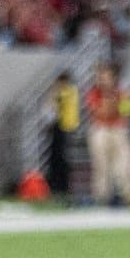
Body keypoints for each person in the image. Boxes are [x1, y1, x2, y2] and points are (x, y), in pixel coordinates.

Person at [84, 63, 130, 208]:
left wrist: (120, 100)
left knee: (124, 165)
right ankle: (102, 198)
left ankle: (126, 197)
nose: (104, 80)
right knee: (101, 166)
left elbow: (127, 112)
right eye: (102, 77)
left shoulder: (120, 92)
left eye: (107, 77)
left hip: (118, 129)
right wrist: (112, 102)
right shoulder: (94, 93)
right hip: (101, 129)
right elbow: (101, 112)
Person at [44, 70, 80, 202]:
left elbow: (52, 107)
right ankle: (58, 186)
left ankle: (62, 187)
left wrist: (53, 93)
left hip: (64, 127)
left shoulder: (67, 92)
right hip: (61, 127)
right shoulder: (70, 92)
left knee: (61, 158)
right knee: (56, 158)